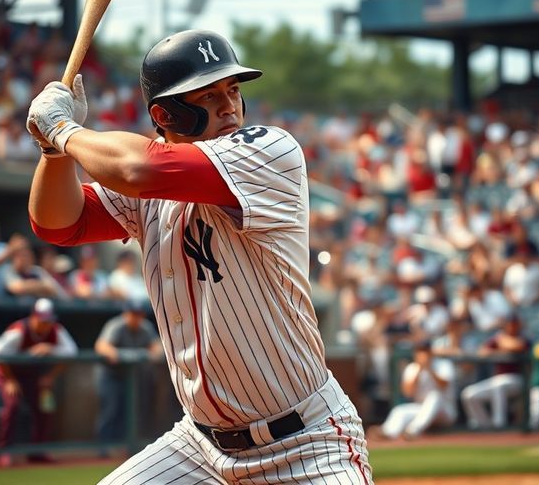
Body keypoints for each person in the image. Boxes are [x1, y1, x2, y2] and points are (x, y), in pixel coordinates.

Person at [26, 29, 373, 483]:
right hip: (199, 447)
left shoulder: (270, 151)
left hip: (308, 444)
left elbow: (139, 167)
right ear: (164, 113)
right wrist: (53, 153)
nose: (229, 105)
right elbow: (56, 223)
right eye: (208, 96)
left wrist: (64, 130)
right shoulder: (149, 193)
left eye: (232, 90)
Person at [0, 298, 77, 467]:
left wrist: (50, 372)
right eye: (42, 319)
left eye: (48, 320)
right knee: (12, 405)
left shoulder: (55, 330)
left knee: (44, 407)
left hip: (32, 374)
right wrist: (10, 380)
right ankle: (3, 451)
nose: (45, 324)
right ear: (33, 317)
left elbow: (72, 352)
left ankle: (37, 450)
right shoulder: (19, 331)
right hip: (8, 373)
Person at [94, 299, 162, 448]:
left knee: (133, 411)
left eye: (138, 314)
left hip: (132, 377)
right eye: (132, 314)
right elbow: (101, 346)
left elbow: (157, 348)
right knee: (111, 410)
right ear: (126, 314)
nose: (135, 317)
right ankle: (104, 447)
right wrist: (116, 354)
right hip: (112, 375)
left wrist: (151, 353)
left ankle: (127, 446)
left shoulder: (145, 327)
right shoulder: (116, 325)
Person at [461, 315, 529, 429]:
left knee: (499, 386)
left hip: (518, 379)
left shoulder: (522, 337)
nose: (512, 326)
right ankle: (484, 426)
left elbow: (518, 346)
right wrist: (500, 350)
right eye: (510, 324)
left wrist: (502, 343)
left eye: (515, 324)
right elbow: (482, 352)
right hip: (499, 379)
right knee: (468, 394)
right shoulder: (498, 339)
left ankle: (499, 425)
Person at [378, 341, 456, 440]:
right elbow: (407, 393)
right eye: (420, 352)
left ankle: (413, 430)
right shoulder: (412, 368)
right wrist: (420, 369)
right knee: (400, 411)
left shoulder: (443, 364)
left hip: (445, 411)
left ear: (431, 352)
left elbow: (444, 386)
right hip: (422, 409)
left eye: (425, 351)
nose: (423, 354)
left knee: (435, 396)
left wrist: (429, 368)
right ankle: (388, 432)